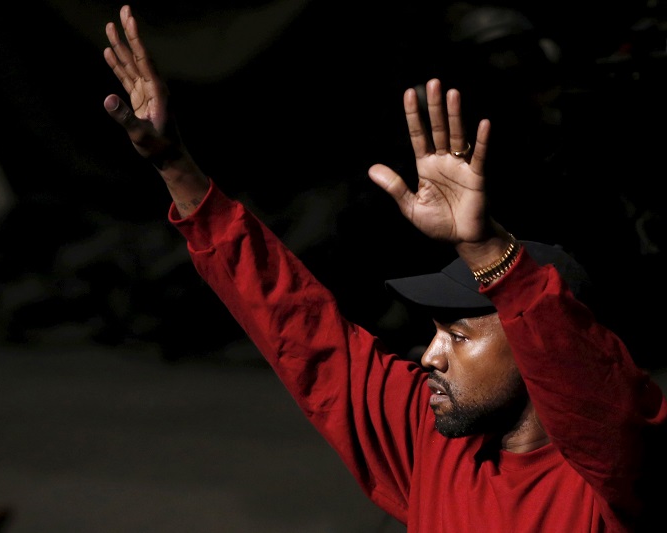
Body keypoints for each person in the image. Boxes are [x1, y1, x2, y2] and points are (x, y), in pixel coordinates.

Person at [100, 5, 667, 531]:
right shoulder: (431, 440)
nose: (429, 356)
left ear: (537, 354)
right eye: (437, 333)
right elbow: (300, 331)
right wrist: (177, 169)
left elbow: (601, 397)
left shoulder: (614, 480)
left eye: (459, 335)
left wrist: (488, 252)